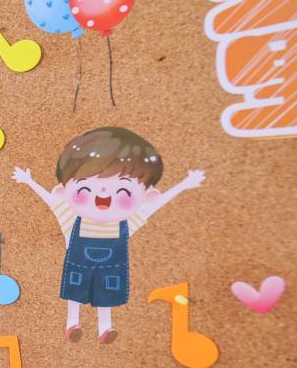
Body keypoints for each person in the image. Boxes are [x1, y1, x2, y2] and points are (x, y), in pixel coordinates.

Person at [13, 127, 205, 343]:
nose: (103, 194)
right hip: (79, 266)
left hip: (109, 269)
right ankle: (72, 323)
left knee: (106, 295)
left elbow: (154, 207)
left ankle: (105, 327)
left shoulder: (125, 223)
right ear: (63, 192)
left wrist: (183, 186)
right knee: (75, 292)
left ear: (147, 195)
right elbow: (50, 200)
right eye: (85, 189)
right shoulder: (69, 217)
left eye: (123, 191)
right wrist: (29, 181)